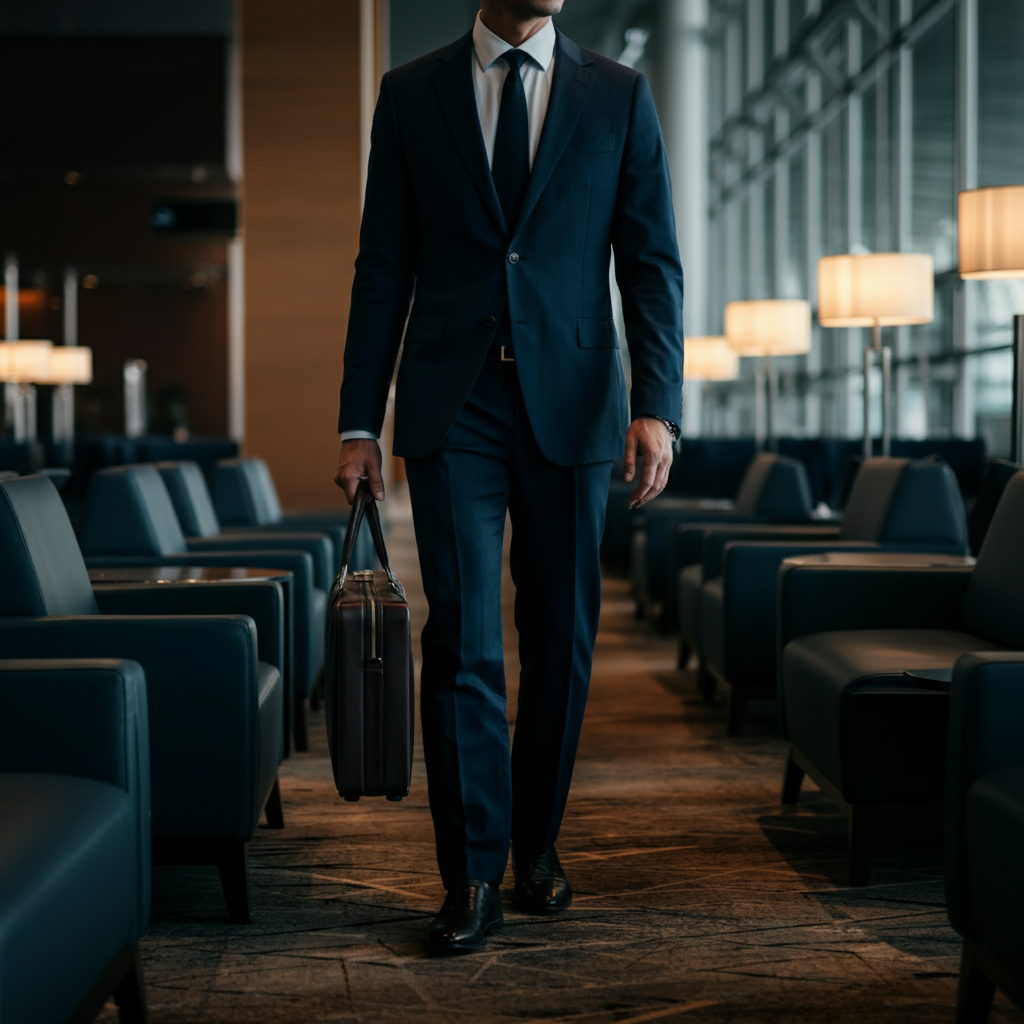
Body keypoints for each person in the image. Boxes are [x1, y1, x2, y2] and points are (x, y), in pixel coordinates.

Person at [334, 0, 684, 955]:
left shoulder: (618, 93)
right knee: (463, 644)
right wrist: (360, 419)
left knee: (562, 640)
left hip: (573, 405)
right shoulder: (410, 95)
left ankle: (537, 839)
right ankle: (473, 873)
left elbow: (650, 262)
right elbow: (383, 265)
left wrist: (657, 403)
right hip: (454, 408)